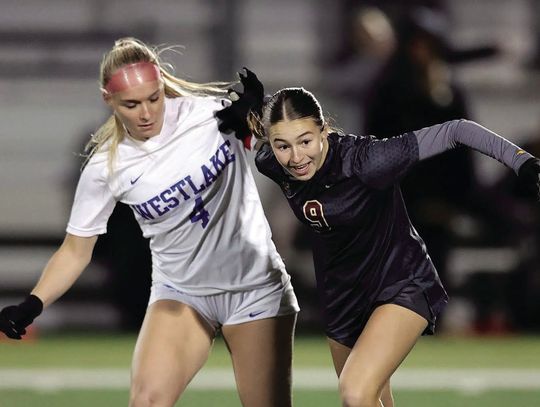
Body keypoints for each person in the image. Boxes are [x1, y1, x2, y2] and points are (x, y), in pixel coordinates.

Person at [0, 38, 299, 407]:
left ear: (162, 86)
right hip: (182, 294)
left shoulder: (212, 115)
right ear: (108, 101)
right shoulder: (106, 167)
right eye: (131, 104)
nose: (146, 113)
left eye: (153, 98)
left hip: (255, 287)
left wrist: (259, 117)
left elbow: (292, 153)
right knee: (147, 402)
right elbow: (76, 251)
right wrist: (32, 304)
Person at [217, 70, 540, 407]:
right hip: (342, 298)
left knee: (356, 392)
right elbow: (257, 138)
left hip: (399, 282)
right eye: (283, 145)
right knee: (372, 399)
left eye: (306, 141)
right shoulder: (273, 162)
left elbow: (457, 130)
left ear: (324, 130)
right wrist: (251, 118)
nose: (296, 157)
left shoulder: (368, 161)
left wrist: (520, 161)